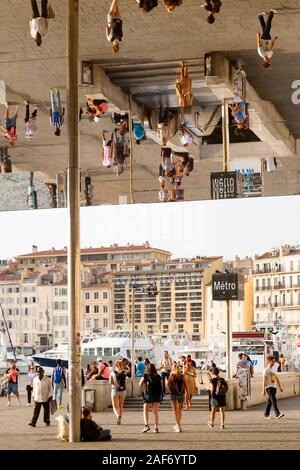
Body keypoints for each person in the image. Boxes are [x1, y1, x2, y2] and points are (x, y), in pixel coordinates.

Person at [139, 363, 162, 433]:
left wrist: (145, 386)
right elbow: (161, 386)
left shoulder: (146, 375)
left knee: (145, 410)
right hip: (157, 395)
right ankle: (156, 427)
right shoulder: (158, 376)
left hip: (149, 395)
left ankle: (146, 426)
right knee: (155, 412)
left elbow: (139, 384)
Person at [168, 363, 187, 432]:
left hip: (174, 394)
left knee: (175, 411)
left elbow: (168, 385)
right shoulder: (182, 376)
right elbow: (185, 385)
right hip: (181, 394)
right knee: (179, 410)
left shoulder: (172, 376)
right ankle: (178, 424)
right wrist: (187, 393)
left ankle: (178, 426)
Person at [109, 359, 127, 425]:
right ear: (122, 365)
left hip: (115, 390)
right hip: (123, 390)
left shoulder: (113, 372)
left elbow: (110, 382)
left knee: (114, 406)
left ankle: (117, 416)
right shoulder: (124, 372)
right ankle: (120, 418)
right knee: (121, 405)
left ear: (116, 365)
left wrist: (115, 384)